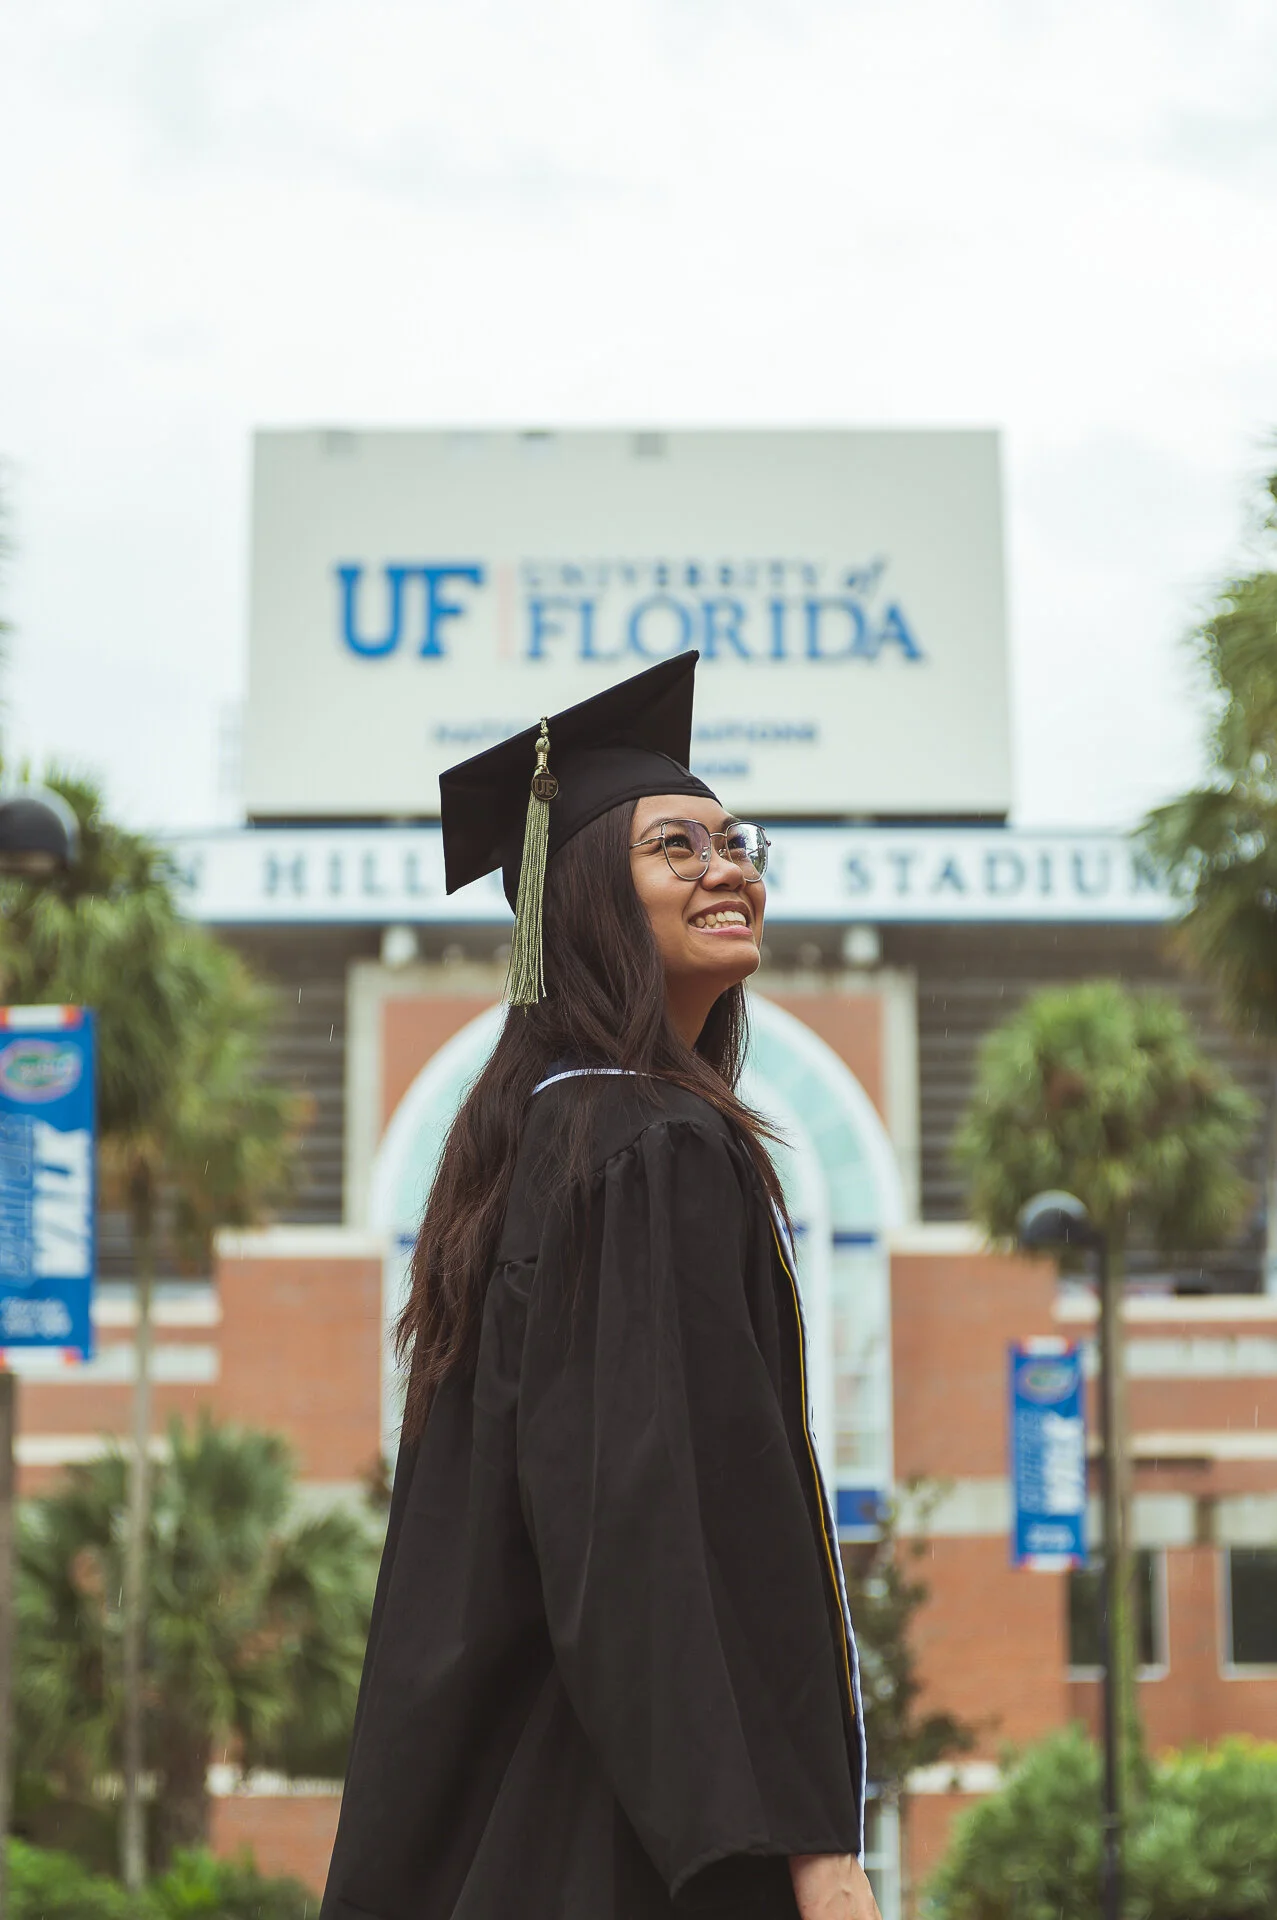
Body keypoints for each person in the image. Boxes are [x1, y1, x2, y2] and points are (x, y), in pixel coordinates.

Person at [320, 653, 881, 1920]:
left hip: (525, 1805)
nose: (727, 870)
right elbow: (658, 1519)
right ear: (581, 902)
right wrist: (806, 1845)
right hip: (629, 1831)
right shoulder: (647, 1151)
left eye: (735, 843)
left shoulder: (536, 1141)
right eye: (676, 847)